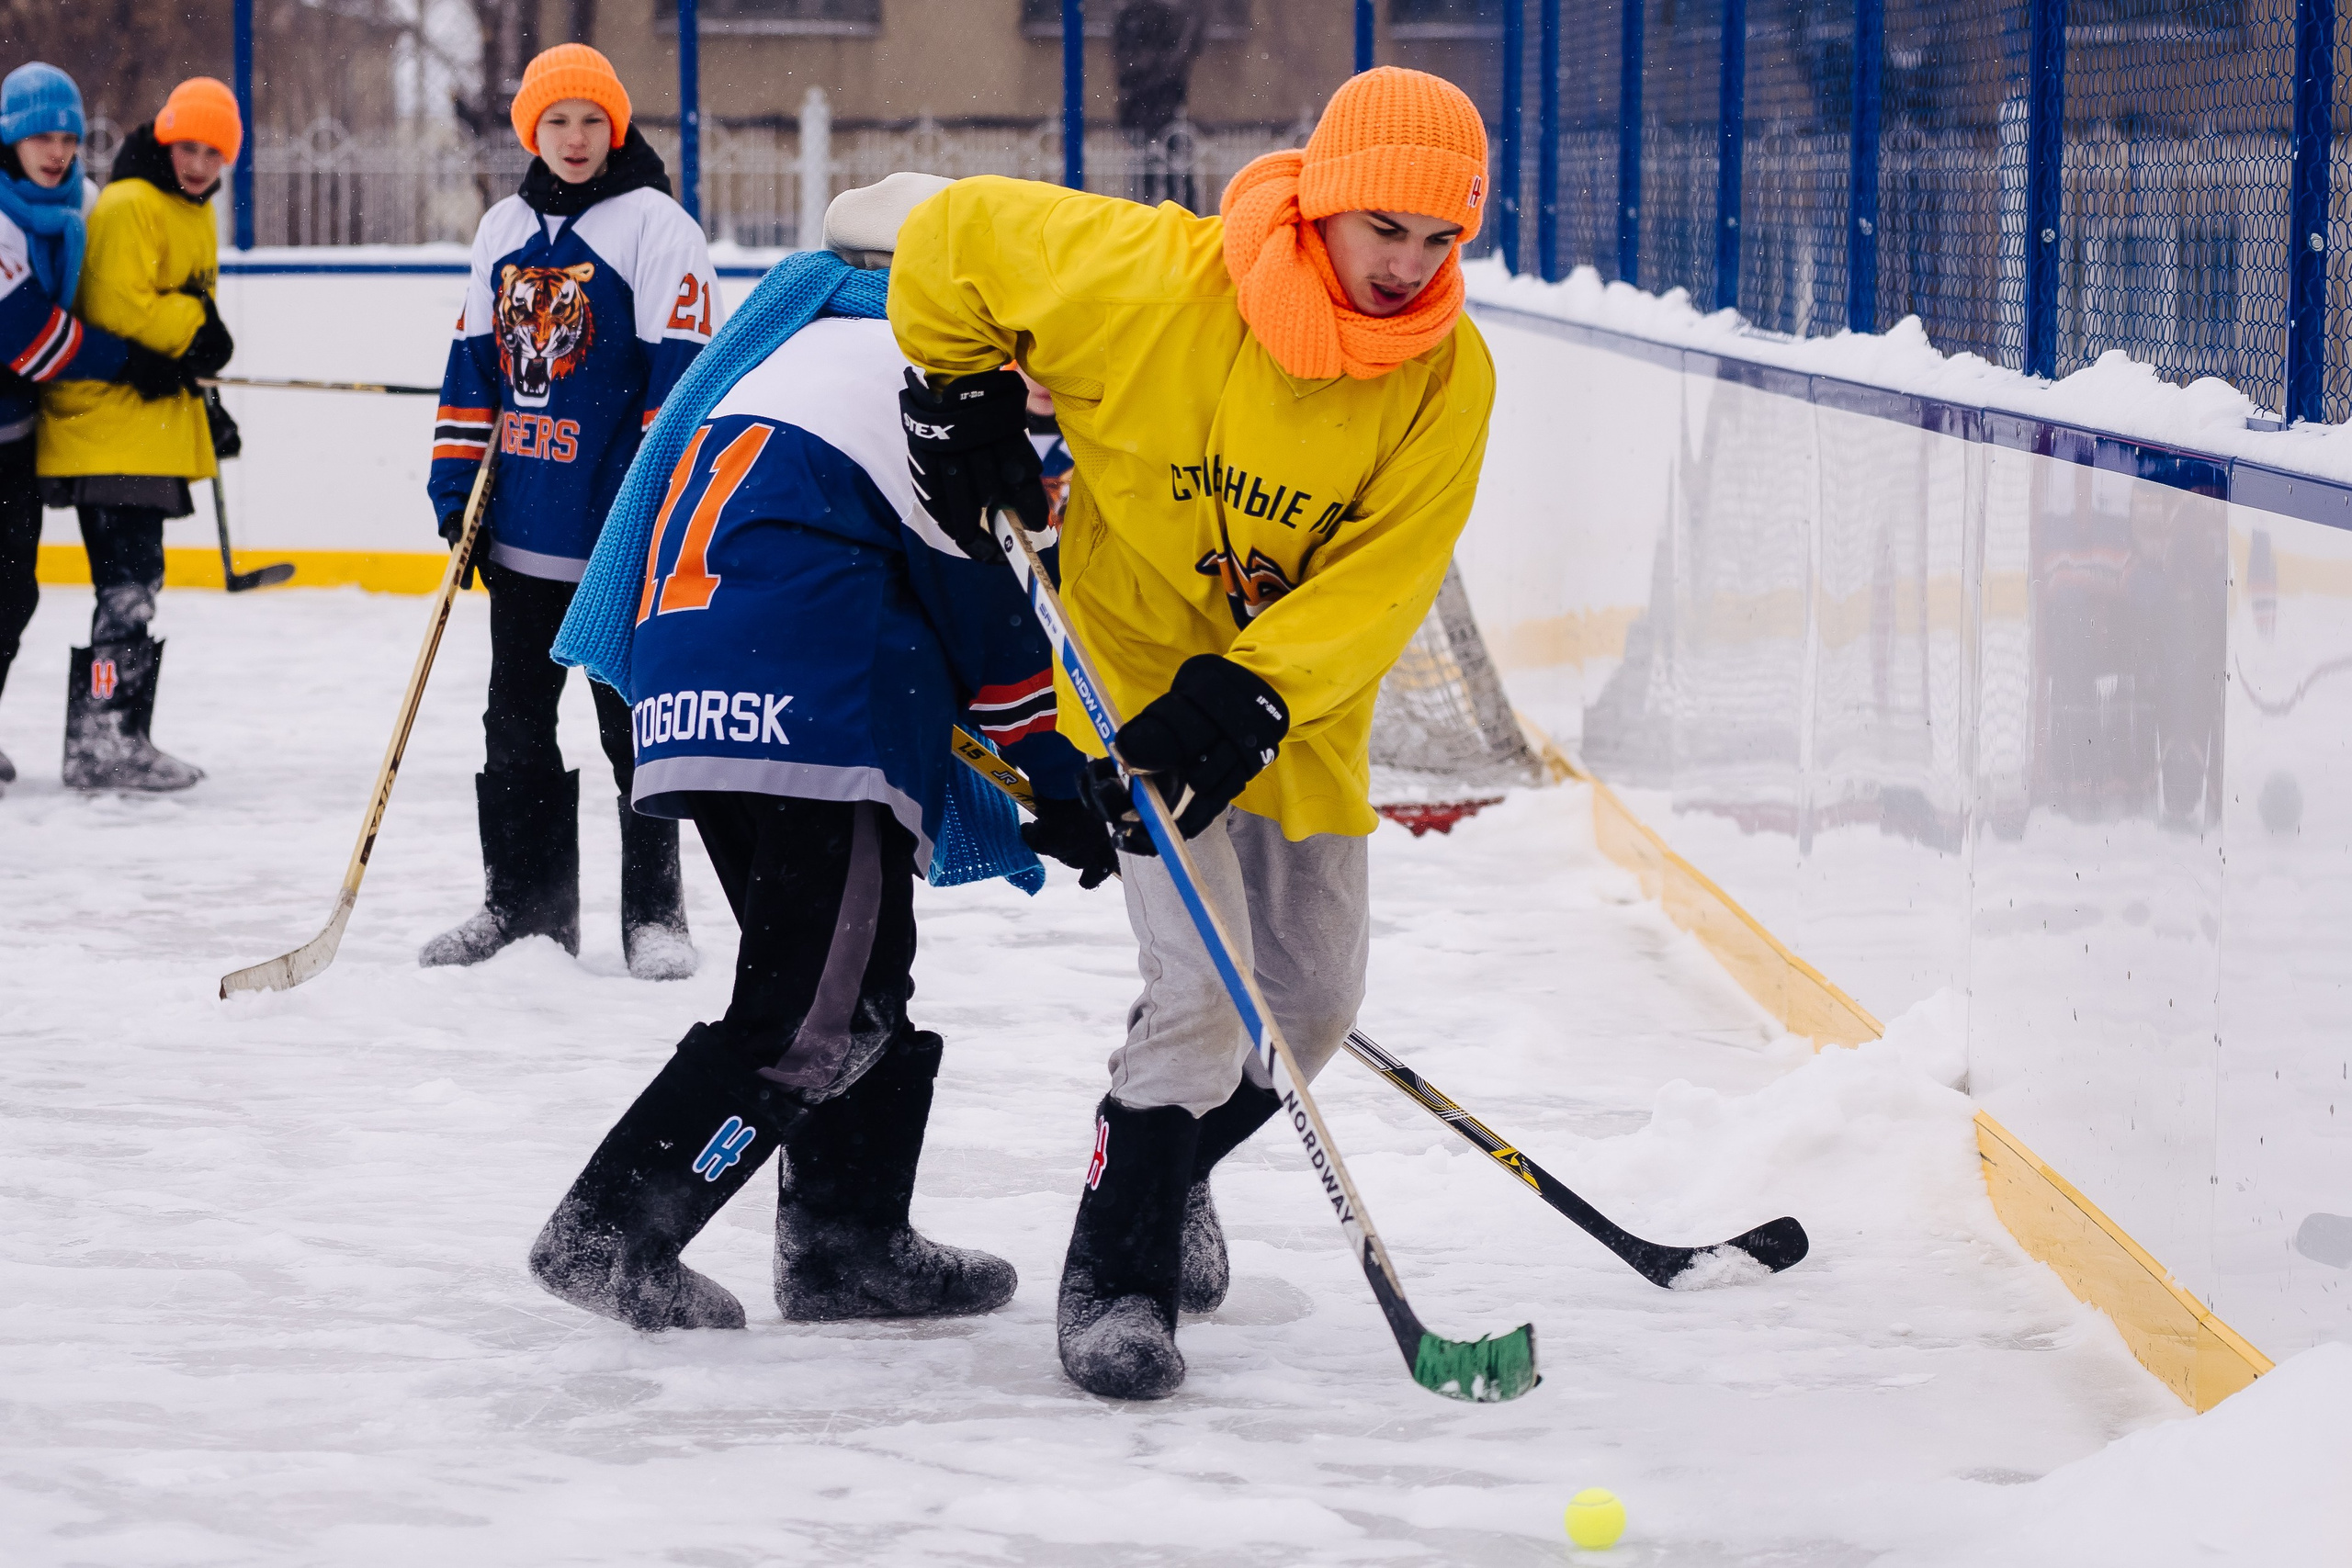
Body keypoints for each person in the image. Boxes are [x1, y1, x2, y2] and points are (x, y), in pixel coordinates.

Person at [888, 66, 1497, 1398]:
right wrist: (958, 389)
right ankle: (1117, 1281)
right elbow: (946, 239)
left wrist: (1257, 692)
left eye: (1442, 237)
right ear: (1325, 202)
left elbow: (1384, 578)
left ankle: (1168, 1176)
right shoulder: (1156, 276)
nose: (1411, 264)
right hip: (1126, 680)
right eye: (1384, 228)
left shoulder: (1446, 378)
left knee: (1313, 1005)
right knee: (1206, 992)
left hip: (1290, 708)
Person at [526, 173, 1090, 1332]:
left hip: (704, 703)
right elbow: (977, 586)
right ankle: (612, 1227)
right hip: (804, 714)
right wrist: (1056, 763)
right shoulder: (911, 368)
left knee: (860, 978)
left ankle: (848, 1246)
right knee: (808, 1017)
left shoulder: (793, 351)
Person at [420, 45, 717, 980]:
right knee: (513, 723)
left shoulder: (658, 228)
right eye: (557, 121)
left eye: (592, 119)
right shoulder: (502, 227)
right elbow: (474, 368)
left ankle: (654, 917)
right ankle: (522, 907)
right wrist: (453, 488)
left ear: (616, 126)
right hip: (521, 534)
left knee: (633, 727)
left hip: (621, 538)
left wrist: (649, 508)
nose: (576, 137)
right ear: (530, 131)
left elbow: (684, 383)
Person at [35, 75, 240, 792]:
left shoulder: (192, 209)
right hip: (106, 428)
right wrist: (198, 331)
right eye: (188, 146)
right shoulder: (129, 205)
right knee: (126, 590)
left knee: (134, 585)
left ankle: (116, 731)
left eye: (213, 153)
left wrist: (205, 405)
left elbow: (183, 318)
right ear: (164, 137)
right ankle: (101, 739)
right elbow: (122, 306)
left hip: (142, 429)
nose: (198, 163)